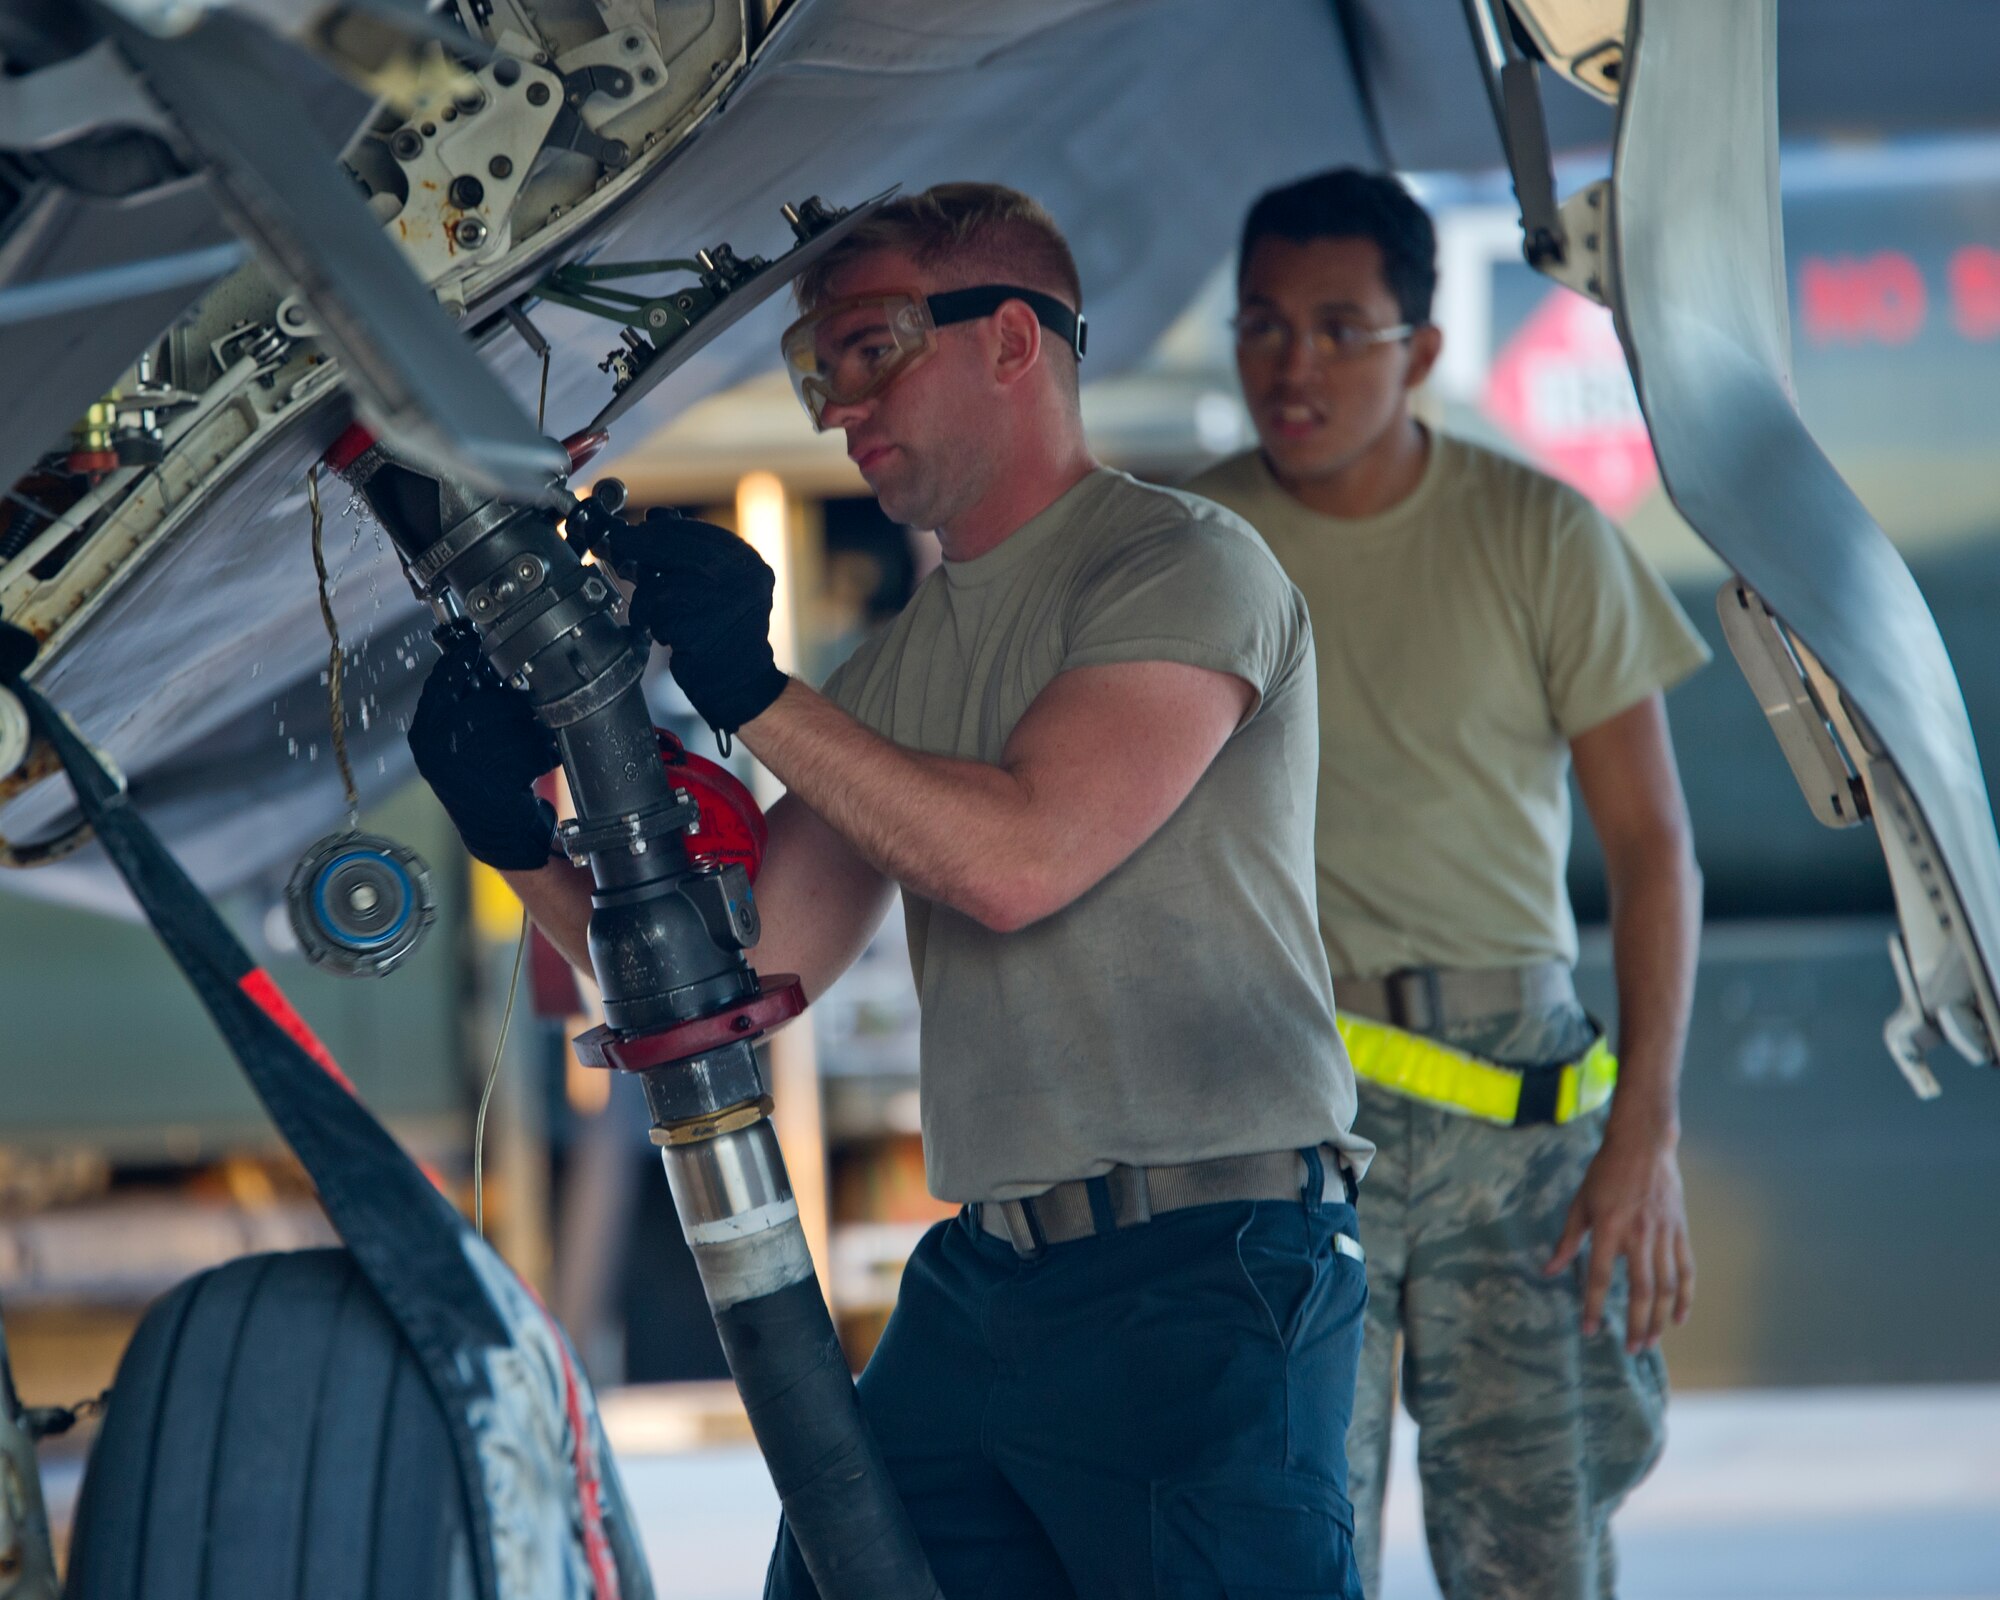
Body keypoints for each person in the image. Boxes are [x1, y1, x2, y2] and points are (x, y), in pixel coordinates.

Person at [409, 182, 1372, 1599]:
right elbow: (736, 982)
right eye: (819, 371)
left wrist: (752, 689)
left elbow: (1017, 861)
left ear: (1013, 343)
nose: (834, 407)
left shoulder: (1179, 565)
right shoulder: (906, 666)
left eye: (870, 352)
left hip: (1208, 1275)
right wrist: (514, 839)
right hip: (990, 1283)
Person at [1187, 168, 1710, 1600]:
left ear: (1420, 350)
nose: (1292, 366)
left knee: (1538, 1550)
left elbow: (1654, 847)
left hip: (1520, 1119)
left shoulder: (1540, 532)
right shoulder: (1170, 552)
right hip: (1274, 1107)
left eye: (1338, 328)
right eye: (1263, 325)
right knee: (1275, 1544)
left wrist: (1646, 1136)